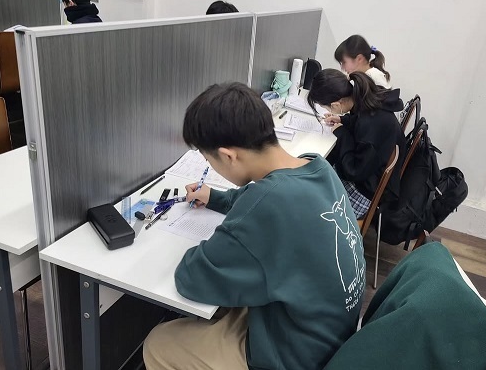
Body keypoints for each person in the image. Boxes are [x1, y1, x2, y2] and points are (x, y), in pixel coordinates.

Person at [143, 83, 365, 370]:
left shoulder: (266, 206)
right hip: (329, 334)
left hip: (294, 355)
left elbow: (191, 279)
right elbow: (261, 196)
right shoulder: (317, 167)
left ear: (228, 156)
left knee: (159, 344)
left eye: (208, 160)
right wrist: (216, 197)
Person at [307, 69, 405, 219]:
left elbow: (353, 171)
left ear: (336, 104)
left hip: (365, 190)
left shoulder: (371, 125)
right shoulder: (367, 99)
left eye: (326, 107)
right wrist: (343, 120)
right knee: (321, 169)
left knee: (309, 196)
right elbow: (360, 120)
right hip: (369, 173)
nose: (327, 110)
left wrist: (342, 134)